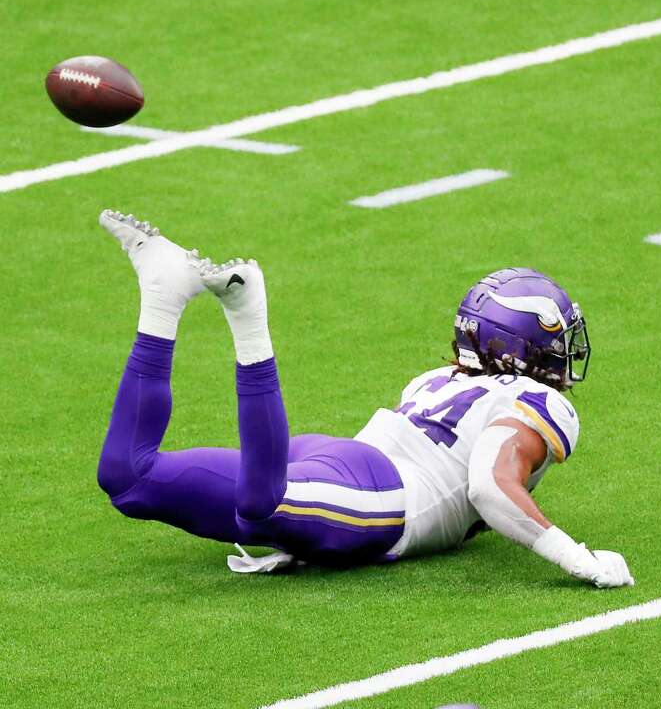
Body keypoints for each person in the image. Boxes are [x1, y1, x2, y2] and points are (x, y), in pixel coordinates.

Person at [95, 209, 633, 588]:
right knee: (261, 506)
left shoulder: (435, 379)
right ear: (522, 345)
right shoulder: (544, 403)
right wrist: (576, 558)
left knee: (129, 477)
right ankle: (247, 311)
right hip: (381, 498)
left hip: (336, 461)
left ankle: (162, 298)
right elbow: (489, 486)